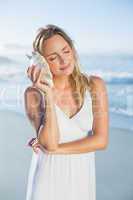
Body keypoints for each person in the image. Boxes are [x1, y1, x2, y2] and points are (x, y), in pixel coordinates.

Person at [24, 24, 109, 200]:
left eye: (66, 51)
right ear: (43, 62)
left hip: (81, 178)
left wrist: (56, 150)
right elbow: (50, 142)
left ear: (73, 50)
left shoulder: (95, 86)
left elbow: (101, 140)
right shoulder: (33, 94)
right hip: (47, 177)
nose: (64, 60)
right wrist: (48, 93)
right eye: (53, 57)